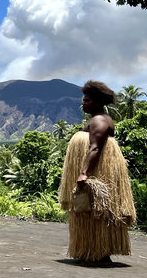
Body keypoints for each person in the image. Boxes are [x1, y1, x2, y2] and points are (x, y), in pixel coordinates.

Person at [58, 81, 136, 266]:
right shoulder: (99, 118)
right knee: (91, 211)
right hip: (98, 169)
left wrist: (84, 173)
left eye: (87, 100)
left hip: (97, 171)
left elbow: (95, 148)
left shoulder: (99, 121)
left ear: (97, 102)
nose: (83, 103)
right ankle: (91, 250)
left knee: (95, 210)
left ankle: (100, 252)